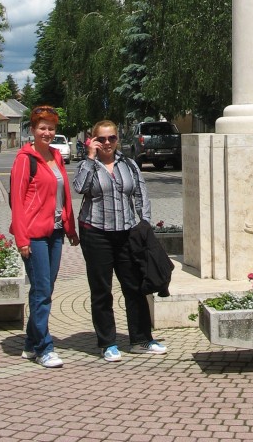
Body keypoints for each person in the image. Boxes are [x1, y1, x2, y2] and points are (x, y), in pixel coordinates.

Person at [74, 119, 167, 361]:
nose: (107, 143)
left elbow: (140, 193)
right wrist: (90, 158)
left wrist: (144, 223)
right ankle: (107, 342)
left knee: (134, 286)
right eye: (101, 139)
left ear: (118, 140)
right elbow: (79, 187)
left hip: (126, 232)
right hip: (95, 232)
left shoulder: (128, 164)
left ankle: (141, 339)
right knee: (102, 289)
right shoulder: (88, 165)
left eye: (111, 138)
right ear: (93, 140)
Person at [9, 105, 79, 368]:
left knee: (45, 289)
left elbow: (64, 195)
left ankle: (30, 342)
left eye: (51, 128)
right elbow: (17, 202)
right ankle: (43, 347)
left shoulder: (56, 156)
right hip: (34, 235)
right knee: (41, 292)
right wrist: (22, 239)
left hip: (56, 231)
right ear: (33, 130)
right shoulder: (24, 160)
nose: (47, 132)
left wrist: (70, 228)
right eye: (42, 128)